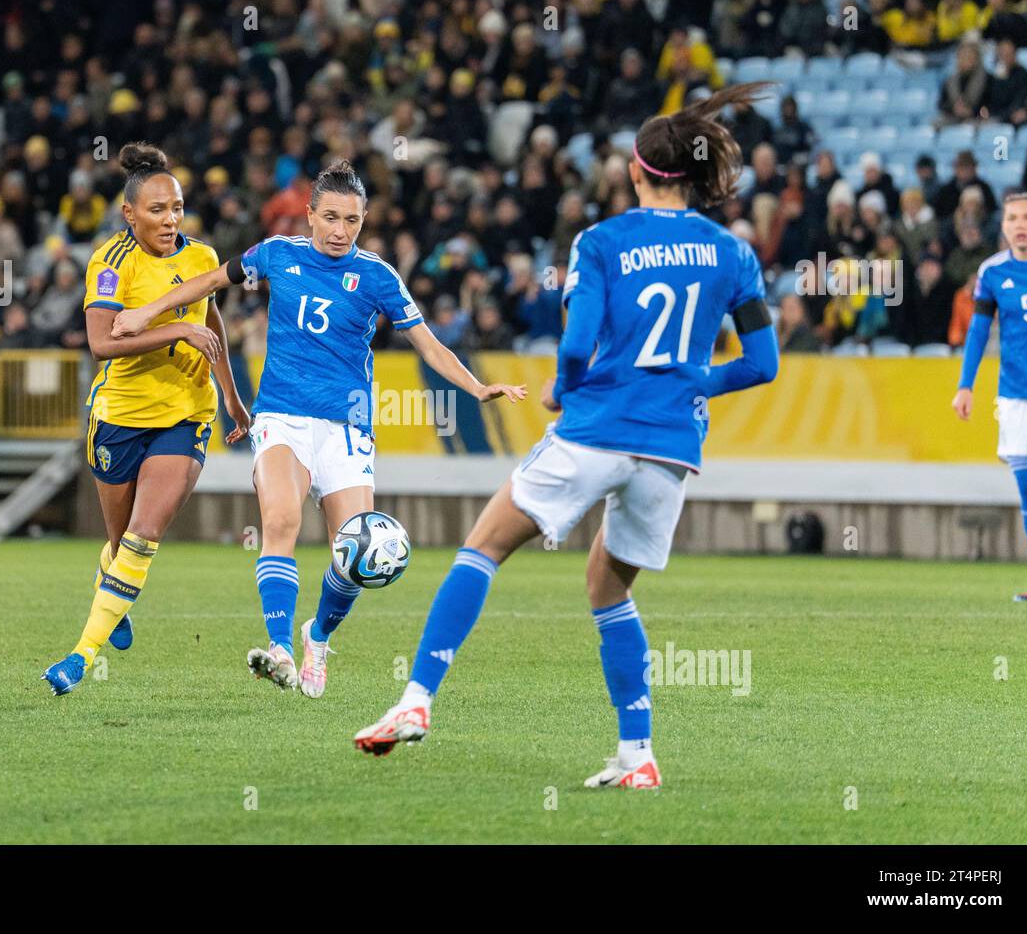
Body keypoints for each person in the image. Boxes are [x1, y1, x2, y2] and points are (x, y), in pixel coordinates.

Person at [352, 83, 781, 789]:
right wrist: (693, 384)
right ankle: (637, 754)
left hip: (597, 427)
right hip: (671, 450)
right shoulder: (732, 253)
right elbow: (763, 365)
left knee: (484, 545)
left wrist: (559, 386)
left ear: (636, 171)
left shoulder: (602, 241)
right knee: (608, 590)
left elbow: (578, 343)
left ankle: (416, 700)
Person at [110, 161, 527, 698]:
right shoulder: (276, 255)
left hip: (346, 426)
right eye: (330, 218)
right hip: (281, 414)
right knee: (280, 519)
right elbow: (209, 282)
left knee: (353, 555)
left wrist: (477, 388)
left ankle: (319, 635)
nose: (339, 231)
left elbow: (427, 343)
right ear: (308, 216)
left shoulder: (378, 275)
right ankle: (280, 648)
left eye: (351, 221)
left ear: (363, 220)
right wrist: (145, 314)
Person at [42, 142, 251, 695]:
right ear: (130, 215)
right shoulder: (110, 264)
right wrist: (177, 330)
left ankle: (79, 657)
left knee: (143, 536)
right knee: (118, 545)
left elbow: (212, 324)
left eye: (177, 207)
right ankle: (112, 587)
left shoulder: (202, 258)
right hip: (118, 416)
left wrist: (230, 393)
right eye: (157, 210)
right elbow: (101, 344)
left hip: (186, 413)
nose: (171, 219)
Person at [952, 190, 1027, 601]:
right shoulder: (992, 273)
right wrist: (965, 385)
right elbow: (977, 332)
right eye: (1012, 218)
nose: (1020, 225)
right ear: (1004, 226)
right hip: (1013, 392)